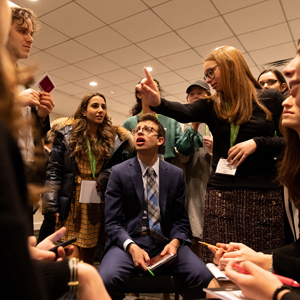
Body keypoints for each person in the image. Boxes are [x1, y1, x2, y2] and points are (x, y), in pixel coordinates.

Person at [0, 1, 111, 299]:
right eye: (21, 31)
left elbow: (28, 143)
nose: (30, 38)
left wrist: (38, 118)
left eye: (31, 32)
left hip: (21, 182)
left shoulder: (18, 78)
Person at [138, 45, 286, 263]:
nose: (207, 80)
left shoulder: (271, 98)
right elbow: (183, 111)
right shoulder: (212, 104)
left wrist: (257, 143)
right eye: (205, 74)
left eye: (211, 72)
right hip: (221, 194)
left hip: (263, 194)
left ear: (230, 66)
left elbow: (290, 141)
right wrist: (157, 102)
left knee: (260, 266)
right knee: (219, 264)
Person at [208, 41, 300, 300]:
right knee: (217, 288)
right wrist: (261, 258)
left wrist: (274, 285)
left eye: (292, 92)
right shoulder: (292, 166)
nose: (289, 67)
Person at [99, 113, 213, 300]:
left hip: (166, 241)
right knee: (106, 279)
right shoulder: (119, 173)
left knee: (203, 276)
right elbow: (112, 223)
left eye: (147, 129)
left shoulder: (175, 174)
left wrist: (175, 243)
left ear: (161, 140)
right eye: (137, 130)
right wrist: (132, 247)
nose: (140, 132)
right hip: (128, 241)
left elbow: (180, 220)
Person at [43, 92, 134, 265]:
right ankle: (72, 289)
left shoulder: (113, 138)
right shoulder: (66, 135)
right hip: (72, 199)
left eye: (103, 107)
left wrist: (106, 175)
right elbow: (54, 171)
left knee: (90, 251)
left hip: (97, 198)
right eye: (95, 106)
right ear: (84, 111)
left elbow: (120, 167)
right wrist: (51, 205)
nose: (100, 110)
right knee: (71, 252)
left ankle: (84, 288)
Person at [174, 80, 213, 257]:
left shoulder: (218, 122)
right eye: (192, 94)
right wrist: (194, 128)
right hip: (191, 186)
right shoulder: (181, 126)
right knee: (193, 233)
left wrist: (215, 149)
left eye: (201, 93)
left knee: (213, 231)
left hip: (214, 186)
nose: (195, 97)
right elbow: (181, 156)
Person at [123, 79, 202, 163]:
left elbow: (184, 149)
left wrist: (194, 126)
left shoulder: (171, 120)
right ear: (139, 94)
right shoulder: (129, 123)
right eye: (147, 88)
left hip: (166, 168)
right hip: (136, 168)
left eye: (155, 88)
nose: (151, 90)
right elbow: (124, 154)